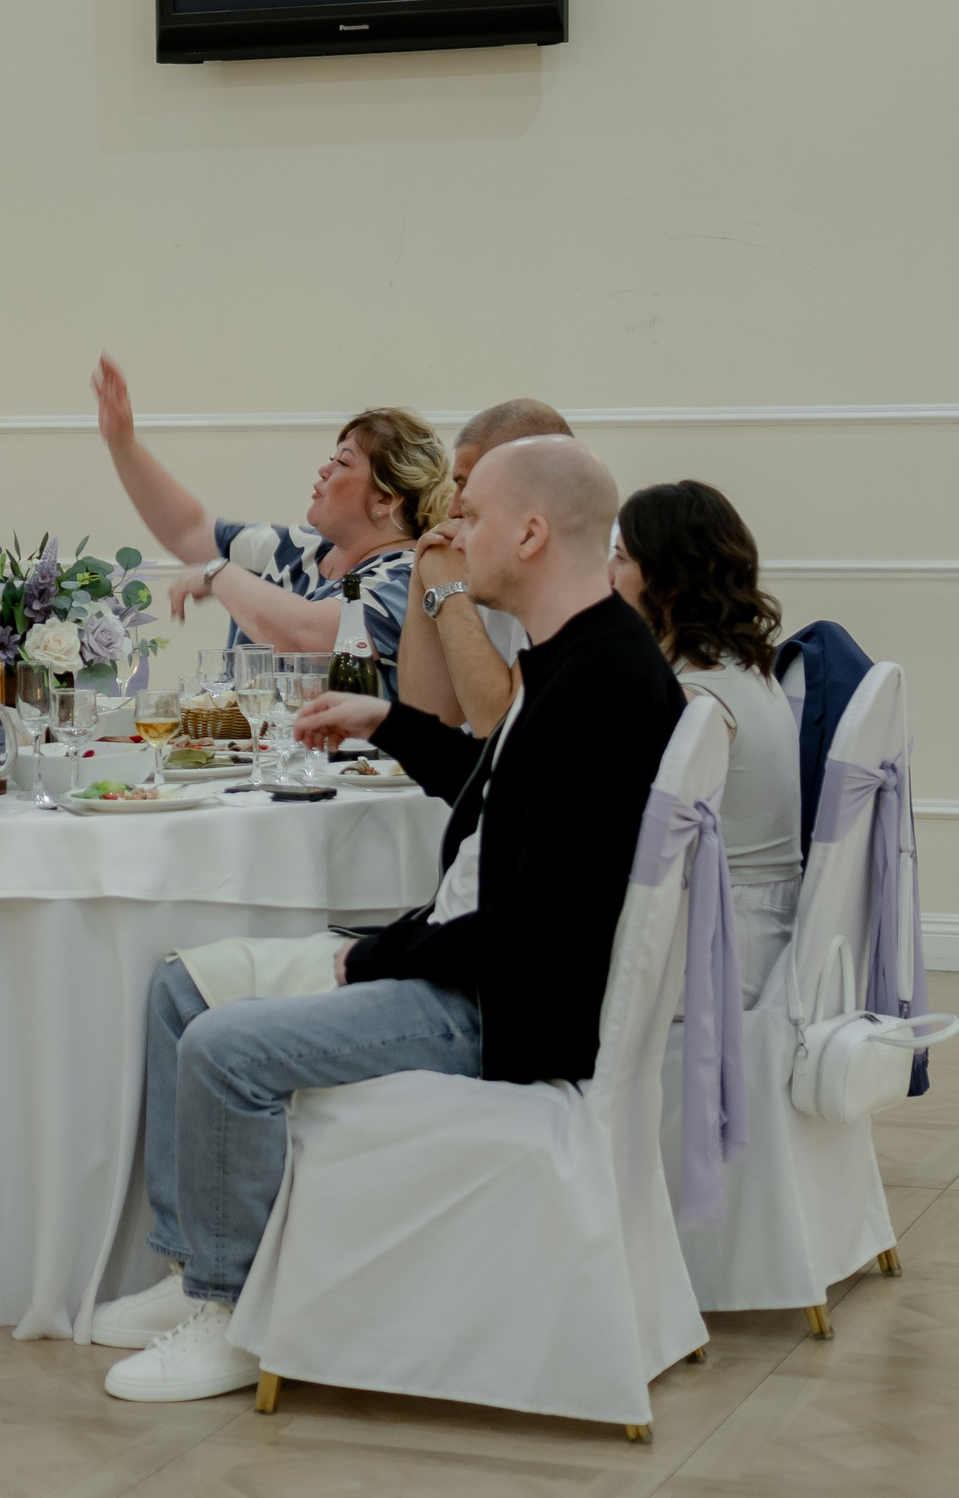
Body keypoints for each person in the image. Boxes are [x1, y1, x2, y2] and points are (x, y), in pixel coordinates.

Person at [90, 437, 683, 1402]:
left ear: (531, 534)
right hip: (474, 965)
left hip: (498, 1008)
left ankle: (233, 1315)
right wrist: (390, 723)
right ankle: (195, 1259)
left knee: (220, 1049)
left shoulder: (601, 685)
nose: (452, 531)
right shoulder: (576, 653)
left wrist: (376, 957)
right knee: (180, 988)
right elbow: (499, 801)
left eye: (473, 515)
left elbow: (535, 931)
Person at [91, 356, 448, 704]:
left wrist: (219, 574)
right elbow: (189, 530)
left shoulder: (407, 576)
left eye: (342, 461)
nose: (324, 470)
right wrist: (123, 443)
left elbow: (308, 638)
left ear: (386, 499)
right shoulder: (298, 548)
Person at [612, 480, 801, 997]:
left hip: (715, 954)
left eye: (621, 559)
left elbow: (620, 833)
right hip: (750, 934)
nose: (608, 575)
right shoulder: (744, 670)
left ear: (669, 585)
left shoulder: (695, 702)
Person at [395, 398, 572, 735]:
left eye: (467, 485)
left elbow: (501, 728)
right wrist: (424, 578)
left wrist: (449, 591)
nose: (453, 508)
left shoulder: (589, 568)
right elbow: (428, 719)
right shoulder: (481, 554)